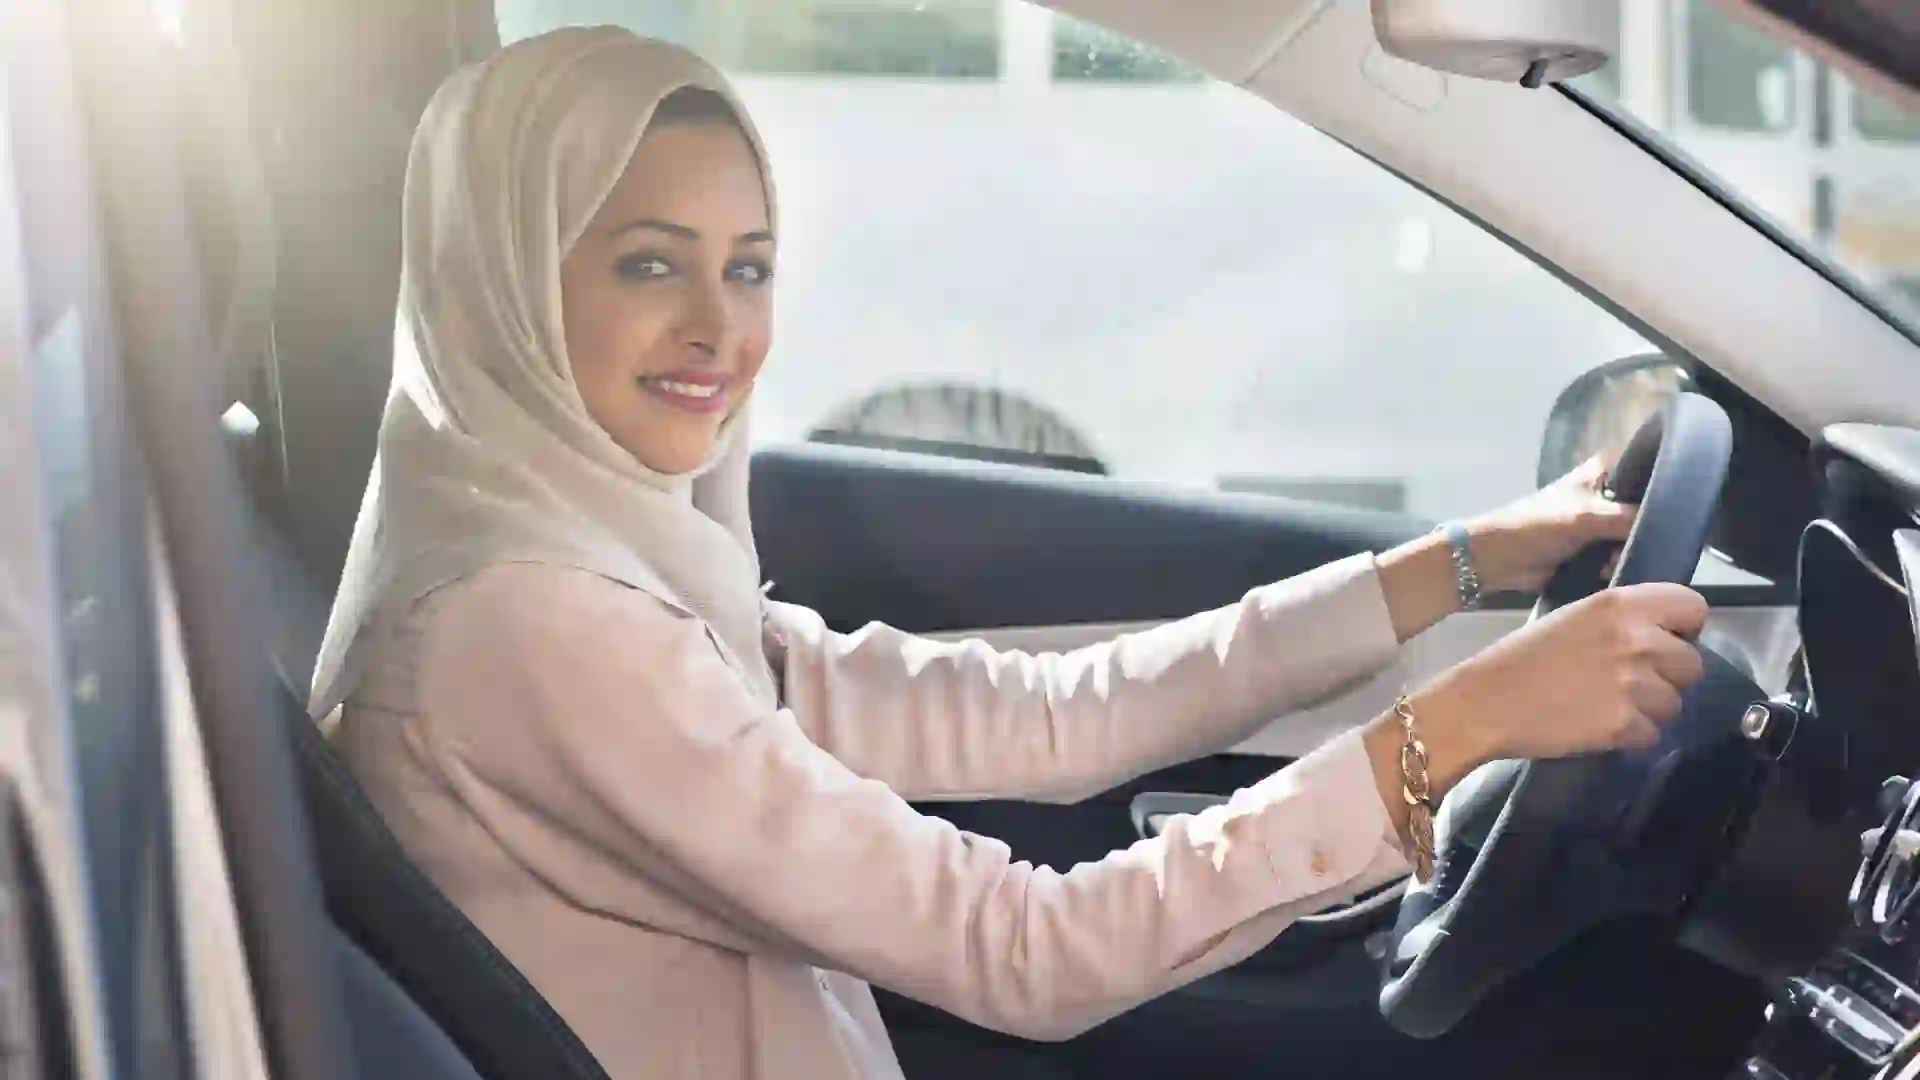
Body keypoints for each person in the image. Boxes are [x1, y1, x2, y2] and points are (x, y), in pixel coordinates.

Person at [312, 27, 1710, 1080]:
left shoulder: (581, 570)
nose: (720, 330)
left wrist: (1458, 565)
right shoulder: (532, 628)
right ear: (498, 278)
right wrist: (1452, 733)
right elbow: (1027, 951)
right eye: (646, 263)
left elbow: (1049, 716)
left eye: (747, 267)